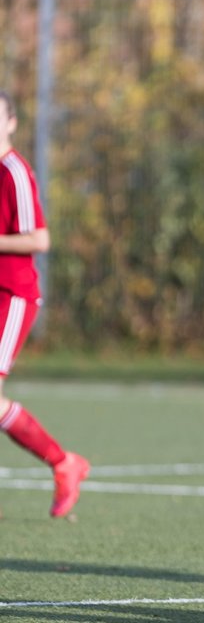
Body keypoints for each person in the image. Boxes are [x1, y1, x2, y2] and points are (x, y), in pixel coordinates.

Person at [0, 91, 90, 518]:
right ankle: (63, 463)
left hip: (11, 294)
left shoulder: (13, 172)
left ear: (11, 122)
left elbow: (40, 239)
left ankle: (62, 463)